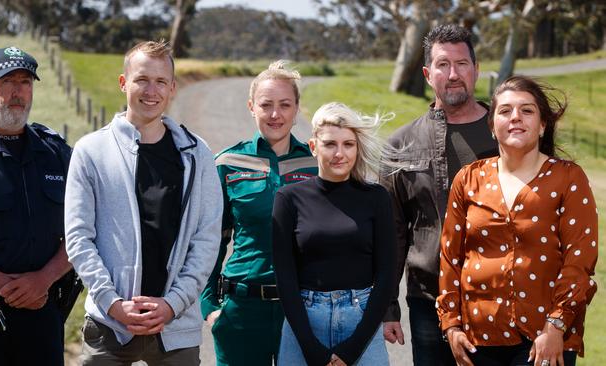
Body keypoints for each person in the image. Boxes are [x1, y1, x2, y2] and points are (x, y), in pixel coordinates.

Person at [64, 40, 222, 365]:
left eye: (161, 81)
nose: (152, 90)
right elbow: (79, 239)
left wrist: (173, 303)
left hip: (175, 326)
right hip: (109, 325)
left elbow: (206, 240)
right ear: (124, 83)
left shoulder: (197, 155)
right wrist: (111, 302)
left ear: (173, 88)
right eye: (142, 79)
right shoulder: (90, 151)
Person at [437, 75, 598, 366]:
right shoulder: (468, 179)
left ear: (543, 125)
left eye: (527, 110)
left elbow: (580, 260)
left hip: (545, 339)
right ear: (492, 126)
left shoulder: (568, 178)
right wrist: (451, 325)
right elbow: (450, 257)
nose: (516, 118)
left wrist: (556, 325)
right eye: (505, 111)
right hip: (477, 338)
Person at [380, 24, 499, 366]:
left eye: (462, 64)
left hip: (499, 298)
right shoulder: (400, 146)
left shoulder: (506, 134)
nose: (453, 74)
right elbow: (393, 233)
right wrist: (389, 306)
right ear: (427, 74)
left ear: (476, 70)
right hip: (428, 299)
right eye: (443, 65)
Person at [0, 46, 72, 366]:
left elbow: (85, 230)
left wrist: (44, 280)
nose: (17, 91)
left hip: (42, 310)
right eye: (7, 81)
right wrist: (7, 288)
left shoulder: (57, 153)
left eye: (25, 82)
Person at [200, 60, 318, 365]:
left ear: (296, 109)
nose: (275, 114)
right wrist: (210, 306)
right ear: (252, 107)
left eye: (285, 105)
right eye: (266, 105)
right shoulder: (227, 163)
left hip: (303, 312)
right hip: (242, 312)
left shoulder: (318, 165)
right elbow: (210, 239)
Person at [272, 102, 399, 366]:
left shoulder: (377, 198)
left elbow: (386, 275)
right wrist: (310, 349)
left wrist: (352, 349)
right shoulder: (289, 198)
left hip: (361, 323)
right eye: (330, 144)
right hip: (304, 323)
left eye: (348, 144)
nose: (339, 153)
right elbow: (285, 277)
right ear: (313, 146)